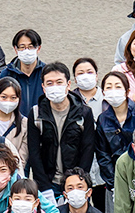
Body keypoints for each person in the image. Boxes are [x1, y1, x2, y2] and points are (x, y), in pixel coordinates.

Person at [27, 62, 97, 196]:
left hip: (74, 182)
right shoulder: (36, 113)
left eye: (59, 82)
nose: (55, 87)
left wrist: (79, 182)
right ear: (43, 87)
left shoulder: (84, 113)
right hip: (48, 182)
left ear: (68, 85)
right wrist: (44, 186)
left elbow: (88, 150)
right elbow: (34, 152)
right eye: (50, 83)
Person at [96, 72, 135, 185]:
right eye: (109, 87)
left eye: (118, 86)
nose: (113, 91)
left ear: (127, 91)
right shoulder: (102, 120)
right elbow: (102, 154)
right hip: (114, 181)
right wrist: (114, 182)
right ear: (103, 93)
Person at [0, 29, 47, 113]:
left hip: (41, 119)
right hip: (15, 119)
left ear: (38, 48)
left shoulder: (46, 73)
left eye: (31, 47)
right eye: (22, 47)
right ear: (16, 49)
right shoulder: (7, 74)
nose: (26, 51)